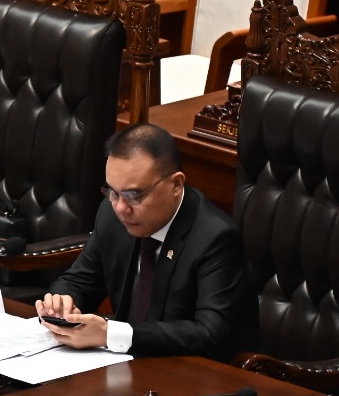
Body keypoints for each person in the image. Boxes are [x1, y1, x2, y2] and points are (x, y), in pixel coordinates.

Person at [35, 124, 253, 359]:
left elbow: (210, 334)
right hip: (123, 369)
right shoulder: (111, 215)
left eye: (133, 195)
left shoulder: (215, 238)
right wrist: (62, 302)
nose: (120, 208)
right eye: (113, 192)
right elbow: (80, 280)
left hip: (193, 376)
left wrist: (111, 334)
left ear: (176, 185)